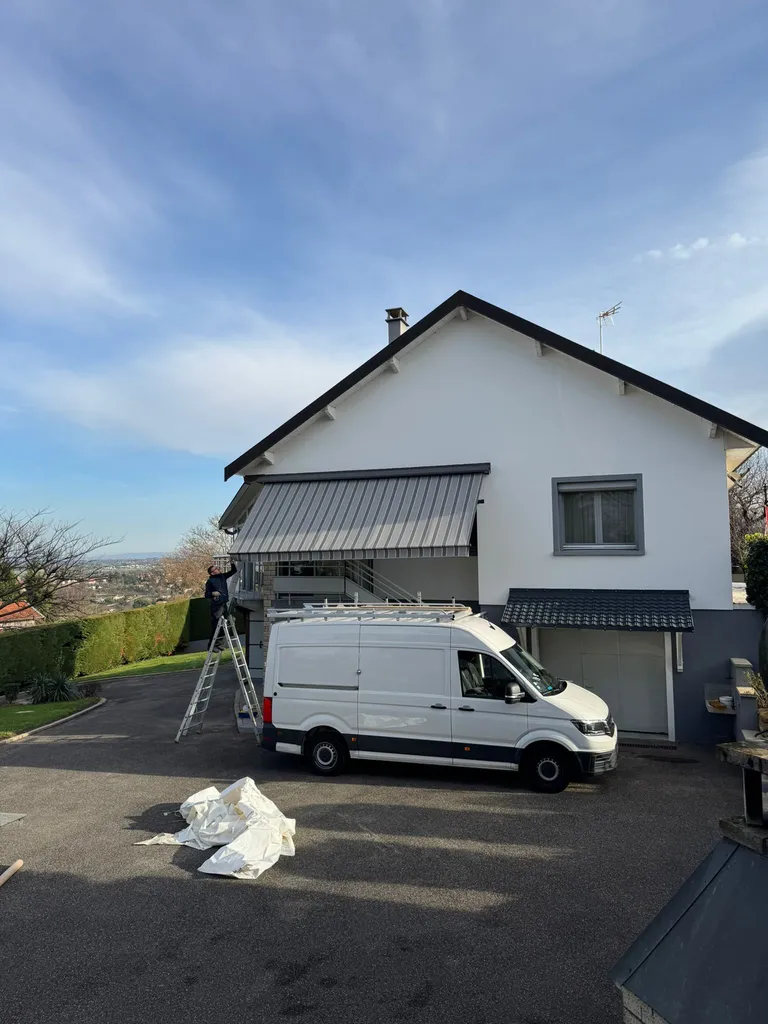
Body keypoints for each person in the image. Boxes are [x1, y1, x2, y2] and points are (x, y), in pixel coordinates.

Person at [205, 562, 238, 649]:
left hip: (223, 604)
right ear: (212, 573)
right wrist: (212, 593)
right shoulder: (210, 581)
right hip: (216, 606)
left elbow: (234, 571)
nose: (218, 569)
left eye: (217, 568)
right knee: (216, 625)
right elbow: (206, 594)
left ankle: (218, 643)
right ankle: (211, 645)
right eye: (215, 569)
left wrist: (232, 562)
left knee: (225, 624)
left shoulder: (222, 576)